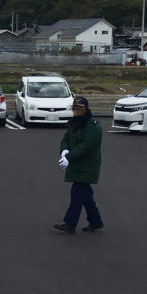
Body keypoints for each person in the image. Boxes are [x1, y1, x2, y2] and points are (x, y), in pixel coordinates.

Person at [54, 96, 104, 233]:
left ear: (86, 109)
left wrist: (69, 157)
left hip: (87, 166)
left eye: (80, 110)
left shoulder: (93, 126)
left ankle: (70, 223)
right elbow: (65, 139)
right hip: (77, 164)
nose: (77, 112)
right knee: (85, 194)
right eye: (75, 109)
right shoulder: (74, 124)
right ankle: (96, 221)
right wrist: (64, 150)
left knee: (77, 193)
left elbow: (86, 146)